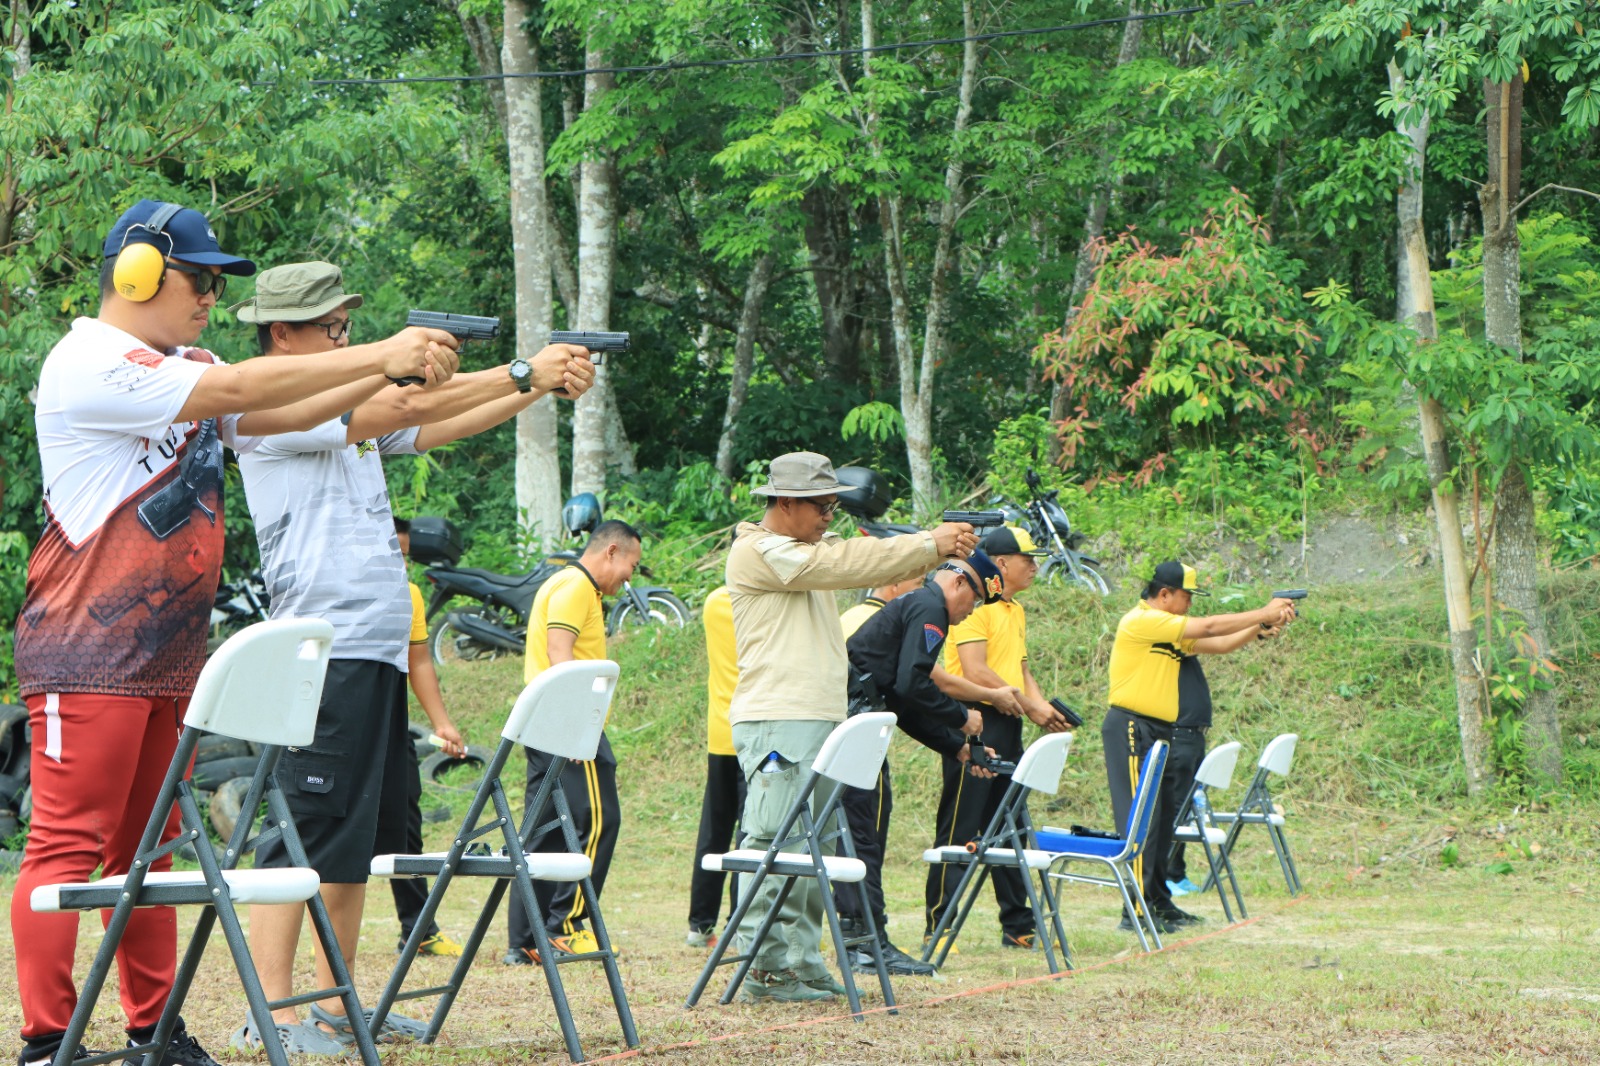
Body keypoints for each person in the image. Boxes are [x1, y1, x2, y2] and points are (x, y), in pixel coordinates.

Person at [9, 201, 456, 1066]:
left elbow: (281, 409)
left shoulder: (193, 365)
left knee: (151, 853)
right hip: (88, 648)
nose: (213, 297)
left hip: (169, 655)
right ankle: (46, 1040)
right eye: (201, 279)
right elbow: (246, 390)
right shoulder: (88, 361)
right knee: (66, 846)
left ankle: (152, 1030)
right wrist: (380, 354)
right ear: (138, 272)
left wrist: (400, 378)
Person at [234, 261, 593, 1055]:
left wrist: (533, 387)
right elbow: (405, 403)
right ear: (281, 334)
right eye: (331, 328)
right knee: (300, 830)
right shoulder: (268, 404)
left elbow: (436, 417)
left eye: (346, 326)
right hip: (320, 649)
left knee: (352, 842)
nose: (346, 340)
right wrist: (525, 372)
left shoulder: (347, 402)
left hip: (371, 648)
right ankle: (273, 1011)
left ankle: (334, 1003)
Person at [724, 452, 976, 1003]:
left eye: (833, 507)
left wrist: (931, 545)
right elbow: (849, 562)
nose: (828, 516)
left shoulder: (807, 551)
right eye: (821, 505)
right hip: (779, 718)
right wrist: (929, 544)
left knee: (812, 846)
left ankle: (801, 960)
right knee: (774, 840)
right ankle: (764, 967)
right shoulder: (759, 550)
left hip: (814, 718)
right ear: (784, 502)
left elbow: (856, 557)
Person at [838, 553, 1008, 976]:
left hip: (860, 721)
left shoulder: (917, 605)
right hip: (858, 728)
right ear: (959, 584)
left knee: (861, 833)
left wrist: (958, 748)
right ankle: (867, 945)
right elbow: (914, 685)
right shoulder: (931, 608)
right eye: (974, 601)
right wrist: (962, 717)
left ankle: (864, 939)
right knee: (863, 835)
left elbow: (901, 697)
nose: (970, 612)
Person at [1104, 561, 1294, 933]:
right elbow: (1208, 627)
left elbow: (1218, 643)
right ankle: (1137, 910)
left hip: (1158, 729)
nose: (1190, 604)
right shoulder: (1143, 620)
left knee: (1163, 820)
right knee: (1142, 819)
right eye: (1187, 596)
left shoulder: (1167, 629)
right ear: (1164, 594)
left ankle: (1158, 901)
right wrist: (1263, 612)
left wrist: (1259, 628)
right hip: (1132, 727)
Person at [925, 526, 1073, 951]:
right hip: (975, 719)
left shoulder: (1015, 610)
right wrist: (1030, 706)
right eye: (1028, 559)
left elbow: (1020, 670)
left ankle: (1018, 925)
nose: (1035, 566)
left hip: (1009, 718)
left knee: (1010, 824)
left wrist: (1042, 709)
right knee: (961, 823)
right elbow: (975, 670)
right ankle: (939, 925)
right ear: (1002, 563)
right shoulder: (975, 606)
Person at [504, 521, 643, 964]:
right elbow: (558, 652)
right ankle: (566, 926)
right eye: (631, 565)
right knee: (599, 820)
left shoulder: (567, 583)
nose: (629, 577)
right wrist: (577, 724)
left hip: (544, 720)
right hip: (566, 722)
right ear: (612, 551)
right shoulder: (577, 586)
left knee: (541, 830)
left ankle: (526, 940)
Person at [390, 516, 467, 956]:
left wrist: (442, 722)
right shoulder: (342, 596)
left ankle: (418, 930)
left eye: (405, 557)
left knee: (406, 829)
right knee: (333, 831)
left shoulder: (411, 596)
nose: (401, 566)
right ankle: (327, 931)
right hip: (341, 730)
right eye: (392, 555)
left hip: (391, 728)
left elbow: (418, 660)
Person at [686, 585, 743, 949]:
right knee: (751, 833)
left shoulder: (714, 601)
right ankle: (740, 922)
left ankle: (699, 923)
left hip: (720, 731)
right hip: (754, 730)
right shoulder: (761, 601)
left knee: (714, 830)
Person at [838, 577, 920, 639]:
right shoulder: (890, 625)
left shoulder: (849, 614)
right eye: (919, 583)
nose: (922, 589)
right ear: (896, 584)